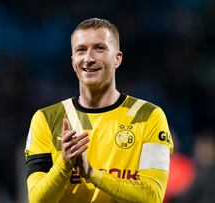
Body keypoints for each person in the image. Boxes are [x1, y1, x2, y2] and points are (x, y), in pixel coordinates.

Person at [24, 18, 174, 203]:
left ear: (117, 59)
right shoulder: (46, 119)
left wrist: (93, 175)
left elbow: (152, 196)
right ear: (73, 62)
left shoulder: (149, 116)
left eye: (99, 48)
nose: (88, 58)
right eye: (81, 50)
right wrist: (64, 164)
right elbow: (37, 200)